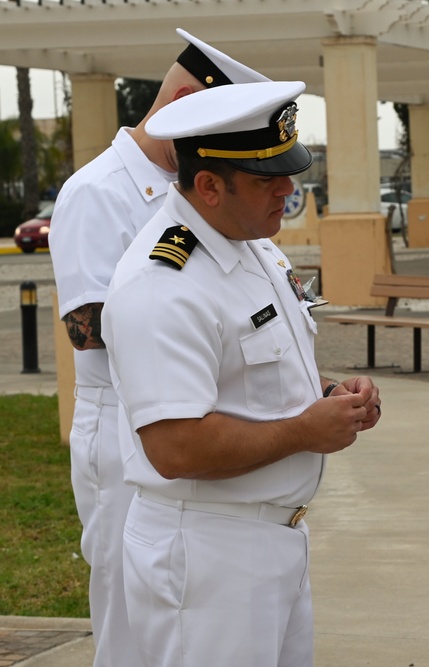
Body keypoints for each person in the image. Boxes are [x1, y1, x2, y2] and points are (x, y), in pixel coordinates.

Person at [101, 80, 382, 666]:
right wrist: (306, 431)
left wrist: (329, 396)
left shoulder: (250, 244)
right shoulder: (165, 284)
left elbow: (255, 369)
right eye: (266, 179)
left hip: (268, 542)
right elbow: (175, 446)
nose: (288, 189)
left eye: (287, 171)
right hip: (208, 556)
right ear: (208, 186)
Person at [46, 29, 269, 667]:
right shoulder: (98, 191)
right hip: (121, 424)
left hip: (187, 413)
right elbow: (84, 328)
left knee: (179, 603)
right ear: (179, 106)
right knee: (127, 610)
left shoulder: (188, 188)